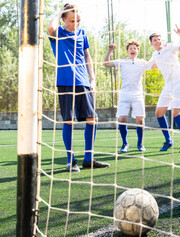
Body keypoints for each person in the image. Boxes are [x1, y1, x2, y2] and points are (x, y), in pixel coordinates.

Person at [47, 4, 110, 172]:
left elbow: (87, 57)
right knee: (69, 121)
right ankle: (70, 161)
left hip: (84, 81)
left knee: (93, 119)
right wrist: (59, 11)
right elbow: (50, 27)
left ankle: (88, 159)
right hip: (66, 81)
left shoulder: (82, 33)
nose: (76, 24)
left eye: (79, 21)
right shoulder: (58, 33)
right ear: (64, 19)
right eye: (72, 21)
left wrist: (93, 78)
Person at [148, 25, 180, 152]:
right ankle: (168, 141)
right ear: (151, 43)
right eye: (155, 40)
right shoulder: (155, 54)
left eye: (159, 39)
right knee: (159, 113)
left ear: (162, 40)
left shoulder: (170, 47)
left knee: (175, 112)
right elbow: (149, 65)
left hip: (179, 82)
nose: (158, 41)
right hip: (168, 85)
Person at [103, 40, 152, 153]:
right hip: (124, 94)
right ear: (127, 51)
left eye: (135, 48)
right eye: (131, 48)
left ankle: (140, 143)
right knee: (122, 119)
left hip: (137, 94)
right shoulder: (122, 61)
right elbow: (105, 64)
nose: (133, 50)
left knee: (140, 120)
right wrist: (110, 50)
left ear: (138, 51)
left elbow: (155, 65)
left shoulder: (142, 62)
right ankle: (124, 143)